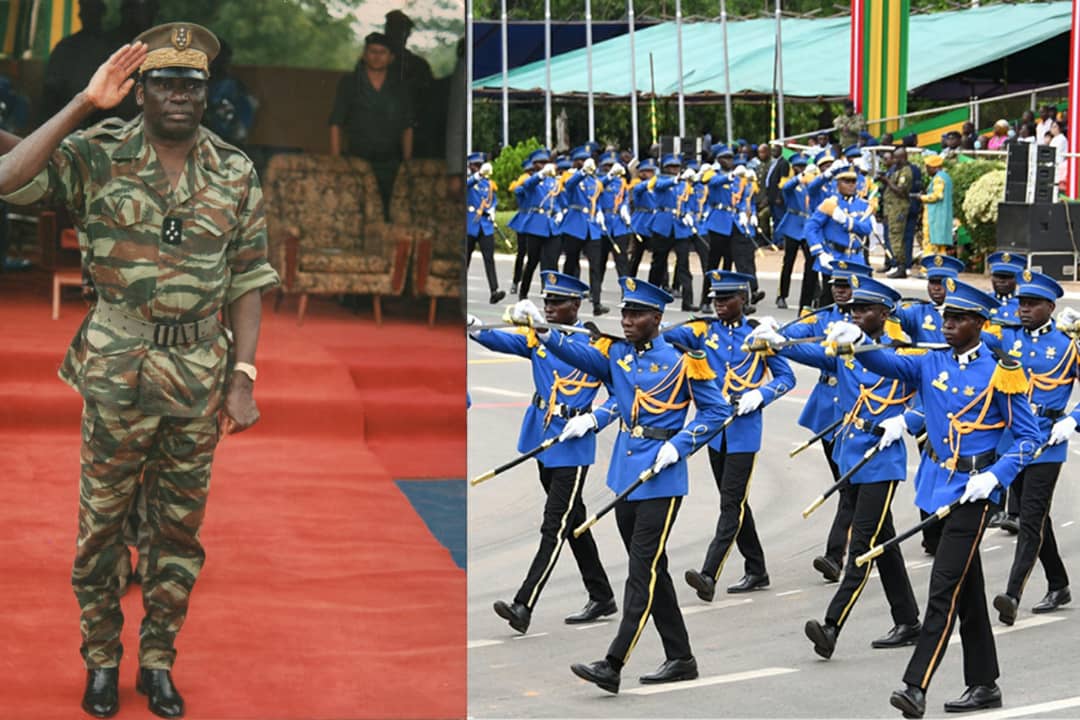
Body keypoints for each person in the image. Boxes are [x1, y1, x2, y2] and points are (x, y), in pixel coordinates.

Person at [0, 28, 279, 719]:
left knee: (177, 534)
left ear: (205, 93)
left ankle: (158, 662)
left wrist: (243, 375)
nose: (179, 95)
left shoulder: (235, 171)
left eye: (190, 84)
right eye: (164, 83)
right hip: (117, 373)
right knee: (101, 531)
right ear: (141, 90)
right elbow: (8, 179)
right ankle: (101, 660)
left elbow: (248, 277)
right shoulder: (96, 154)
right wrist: (81, 105)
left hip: (197, 376)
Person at [827, 280, 1039, 719]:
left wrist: (996, 477)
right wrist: (860, 343)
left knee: (942, 588)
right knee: (967, 588)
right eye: (946, 318)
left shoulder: (1002, 371)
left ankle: (915, 685)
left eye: (959, 319)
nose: (948, 325)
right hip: (936, 485)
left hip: (974, 490)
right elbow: (888, 363)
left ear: (980, 324)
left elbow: (1028, 438)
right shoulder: (931, 362)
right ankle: (984, 683)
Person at [511, 277, 730, 694]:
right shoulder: (620, 355)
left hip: (662, 477)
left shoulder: (685, 360)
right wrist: (543, 331)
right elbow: (577, 353)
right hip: (626, 475)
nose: (626, 321)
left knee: (640, 571)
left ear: (657, 318)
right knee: (653, 571)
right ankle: (681, 657)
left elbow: (716, 412)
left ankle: (613, 663)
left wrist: (681, 445)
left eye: (636, 314)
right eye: (625, 313)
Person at [751, 275, 922, 659]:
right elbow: (811, 353)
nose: (857, 315)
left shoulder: (905, 354)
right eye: (853, 309)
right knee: (883, 541)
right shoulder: (845, 349)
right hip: (850, 454)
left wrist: (907, 422)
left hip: (882, 459)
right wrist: (778, 343)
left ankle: (831, 625)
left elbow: (928, 400)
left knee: (861, 546)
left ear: (885, 312)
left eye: (865, 309)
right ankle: (909, 620)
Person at [467, 272, 617, 634]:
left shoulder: (598, 346)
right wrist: (473, 328)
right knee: (571, 522)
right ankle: (602, 595)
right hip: (542, 438)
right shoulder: (538, 335)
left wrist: (593, 421)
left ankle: (524, 604)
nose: (549, 307)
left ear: (575, 306)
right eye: (547, 301)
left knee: (554, 526)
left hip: (573, 442)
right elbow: (502, 340)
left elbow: (621, 397)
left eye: (557, 303)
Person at [671, 271, 795, 599]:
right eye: (715, 299)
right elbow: (668, 337)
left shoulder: (758, 335)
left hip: (743, 431)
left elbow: (786, 378)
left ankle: (709, 573)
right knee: (736, 502)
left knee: (731, 503)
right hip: (714, 432)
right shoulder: (705, 330)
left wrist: (760, 395)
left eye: (726, 299)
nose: (719, 304)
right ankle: (757, 569)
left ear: (744, 299)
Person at [987, 272, 1073, 625]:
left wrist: (1074, 419)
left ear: (1050, 308)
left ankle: (1012, 594)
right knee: (1032, 518)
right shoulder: (1006, 337)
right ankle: (1059, 583)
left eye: (1032, 304)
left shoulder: (1067, 345)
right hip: (1015, 439)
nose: (1023, 309)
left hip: (1049, 440)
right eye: (1021, 303)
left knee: (1031, 518)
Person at [783, 260, 870, 580]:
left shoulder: (871, 323)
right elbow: (790, 334)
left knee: (849, 487)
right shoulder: (825, 317)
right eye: (836, 285)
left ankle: (836, 555)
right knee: (852, 487)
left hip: (858, 411)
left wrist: (823, 348)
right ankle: (867, 543)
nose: (839, 291)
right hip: (826, 412)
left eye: (846, 286)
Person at [329, 32, 415, 217]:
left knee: (386, 212)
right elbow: (336, 123)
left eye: (382, 52)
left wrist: (407, 162)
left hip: (390, 163)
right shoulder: (350, 83)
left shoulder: (399, 87)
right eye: (372, 51)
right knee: (354, 210)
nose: (376, 56)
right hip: (356, 160)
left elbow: (407, 126)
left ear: (391, 57)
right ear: (364, 54)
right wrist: (335, 160)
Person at [40, 0, 112, 128]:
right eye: (86, 10)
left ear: (102, 13)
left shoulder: (113, 48)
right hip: (67, 123)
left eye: (92, 10)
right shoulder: (66, 47)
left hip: (104, 124)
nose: (88, 15)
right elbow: (51, 91)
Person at [383, 10, 436, 158]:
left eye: (401, 30)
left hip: (412, 133)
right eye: (393, 28)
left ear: (407, 34)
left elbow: (429, 103)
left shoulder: (419, 66)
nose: (396, 34)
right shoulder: (371, 64)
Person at [516, 149, 561, 299]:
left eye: (545, 162)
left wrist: (559, 212)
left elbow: (556, 200)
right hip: (535, 225)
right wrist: (541, 174)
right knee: (532, 261)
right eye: (539, 163)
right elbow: (527, 185)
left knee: (552, 261)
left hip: (551, 225)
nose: (542, 165)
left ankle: (550, 292)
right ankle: (523, 293)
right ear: (534, 165)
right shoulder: (532, 180)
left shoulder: (553, 181)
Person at [774, 157, 817, 311]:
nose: (801, 169)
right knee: (788, 262)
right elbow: (785, 188)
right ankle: (782, 295)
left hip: (808, 227)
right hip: (793, 224)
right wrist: (799, 178)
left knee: (812, 264)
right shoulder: (793, 183)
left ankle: (813, 296)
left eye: (803, 166)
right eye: (798, 167)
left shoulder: (812, 184)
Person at [466, 153, 505, 304]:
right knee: (466, 258)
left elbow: (492, 199)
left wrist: (492, 209)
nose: (478, 169)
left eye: (480, 166)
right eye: (475, 166)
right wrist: (477, 175)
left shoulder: (487, 183)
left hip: (485, 225)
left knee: (489, 258)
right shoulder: (470, 180)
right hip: (470, 223)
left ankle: (494, 290)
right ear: (470, 166)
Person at [881, 147, 913, 277]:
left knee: (896, 238)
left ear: (902, 158)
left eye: (896, 157)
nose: (894, 160)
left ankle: (901, 266)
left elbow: (900, 191)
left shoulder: (905, 172)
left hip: (898, 209)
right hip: (891, 209)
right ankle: (897, 265)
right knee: (892, 237)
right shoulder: (896, 171)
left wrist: (887, 181)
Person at [919, 156, 953, 254]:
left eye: (928, 168)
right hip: (942, 215)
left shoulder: (939, 178)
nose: (927, 170)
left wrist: (921, 197)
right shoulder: (946, 177)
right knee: (941, 246)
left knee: (931, 241)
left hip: (935, 216)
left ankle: (928, 266)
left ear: (934, 167)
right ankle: (940, 266)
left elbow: (937, 195)